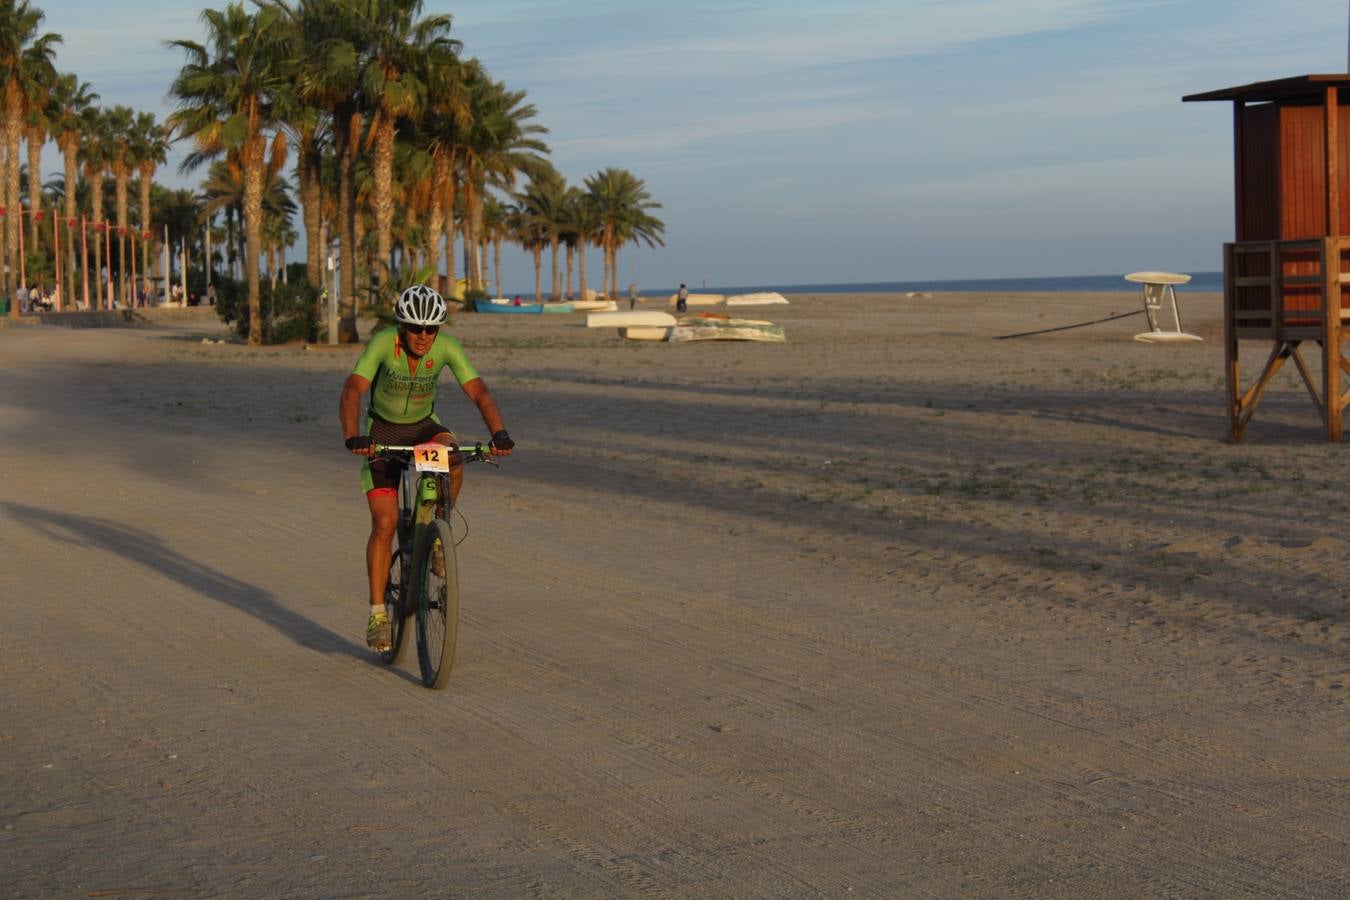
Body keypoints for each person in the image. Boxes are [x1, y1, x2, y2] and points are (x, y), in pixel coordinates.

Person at [338, 284, 514, 653]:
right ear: (402, 326)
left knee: (454, 454)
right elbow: (353, 389)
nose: (423, 336)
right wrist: (353, 436)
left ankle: (438, 532)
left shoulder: (446, 347)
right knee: (384, 524)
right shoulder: (384, 344)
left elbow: (479, 391)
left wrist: (498, 433)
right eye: (416, 327)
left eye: (431, 329)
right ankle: (377, 614)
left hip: (423, 426)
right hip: (382, 431)